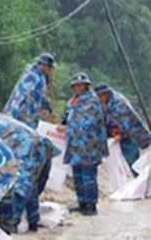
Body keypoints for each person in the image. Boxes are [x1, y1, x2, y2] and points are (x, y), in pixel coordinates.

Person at [0, 114, 60, 234]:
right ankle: (33, 221)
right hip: (42, 146)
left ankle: (11, 225)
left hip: (29, 150)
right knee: (32, 186)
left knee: (19, 188)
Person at [57, 72, 107, 216]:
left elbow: (87, 124)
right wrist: (61, 122)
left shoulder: (91, 101)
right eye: (76, 85)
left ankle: (91, 205)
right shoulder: (73, 101)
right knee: (77, 176)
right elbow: (67, 117)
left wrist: (66, 128)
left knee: (88, 176)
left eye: (81, 85)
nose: (78, 87)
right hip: (75, 146)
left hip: (89, 145)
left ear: (86, 85)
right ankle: (82, 202)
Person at [94, 83, 151, 175]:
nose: (99, 98)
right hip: (112, 131)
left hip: (130, 133)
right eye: (98, 96)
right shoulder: (100, 103)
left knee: (133, 161)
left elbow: (128, 123)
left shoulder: (119, 103)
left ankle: (141, 179)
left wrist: (120, 135)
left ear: (106, 94)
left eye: (101, 96)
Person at [3, 53, 55, 129]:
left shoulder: (29, 72)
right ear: (44, 65)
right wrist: (46, 108)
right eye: (50, 67)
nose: (51, 70)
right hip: (21, 117)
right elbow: (34, 99)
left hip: (10, 113)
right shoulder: (37, 78)